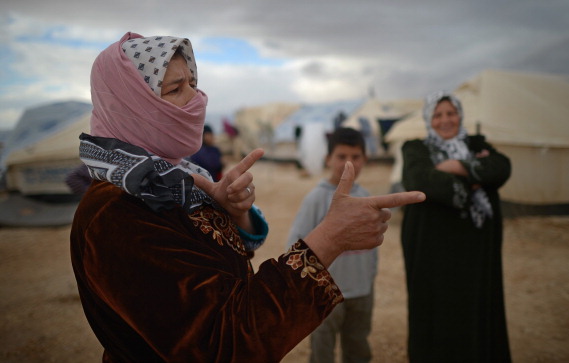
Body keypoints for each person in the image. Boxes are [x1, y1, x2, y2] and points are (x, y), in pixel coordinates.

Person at [70, 32, 425, 362]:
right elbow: (222, 344)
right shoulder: (116, 213)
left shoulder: (172, 178)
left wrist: (229, 214)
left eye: (194, 83)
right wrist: (330, 238)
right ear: (131, 106)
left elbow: (210, 274)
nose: (196, 99)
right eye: (175, 89)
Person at [400, 91, 512, 362]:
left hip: (476, 251)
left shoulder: (475, 143)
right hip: (433, 251)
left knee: (476, 308)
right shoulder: (416, 148)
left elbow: (501, 167)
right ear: (429, 119)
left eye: (451, 113)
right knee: (437, 310)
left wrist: (454, 165)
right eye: (438, 115)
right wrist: (475, 176)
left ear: (460, 115)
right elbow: (419, 179)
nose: (445, 120)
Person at [287, 127, 377, 363]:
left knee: (358, 349)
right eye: (341, 157)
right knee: (322, 351)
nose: (349, 163)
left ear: (365, 159)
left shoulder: (367, 197)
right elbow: (296, 244)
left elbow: (374, 245)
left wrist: (369, 280)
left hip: (361, 292)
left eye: (355, 157)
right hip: (325, 295)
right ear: (328, 159)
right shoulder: (316, 199)